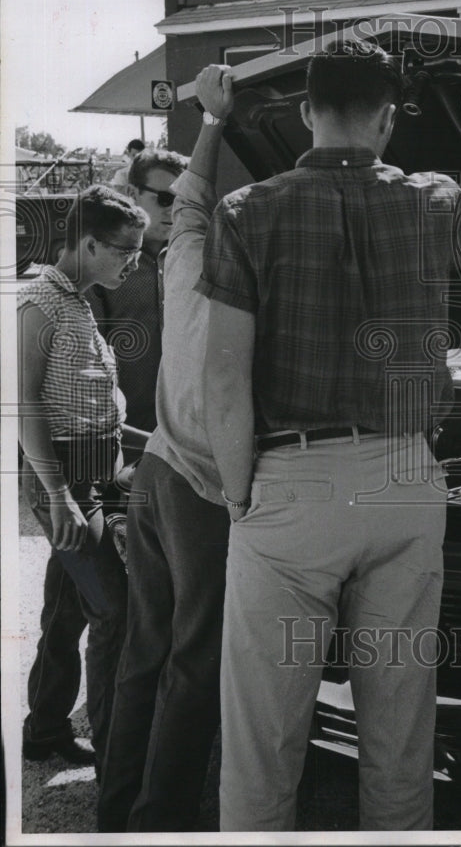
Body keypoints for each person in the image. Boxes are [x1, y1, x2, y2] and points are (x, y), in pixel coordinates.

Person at [198, 38, 461, 831]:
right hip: (406, 477)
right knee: (400, 737)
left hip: (293, 486)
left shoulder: (247, 211)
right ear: (388, 120)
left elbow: (224, 379)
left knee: (265, 741)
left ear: (307, 111)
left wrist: (239, 498)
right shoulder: (430, 198)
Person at [97, 68, 233, 832]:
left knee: (144, 651)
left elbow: (193, 205)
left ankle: (118, 810)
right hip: (183, 480)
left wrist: (213, 122)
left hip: (153, 466)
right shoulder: (207, 272)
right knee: (191, 656)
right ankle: (160, 823)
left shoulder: (177, 262)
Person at [18, 186, 148, 772]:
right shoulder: (40, 303)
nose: (134, 263)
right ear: (89, 243)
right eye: (125, 251)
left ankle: (44, 729)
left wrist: (155, 442)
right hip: (68, 480)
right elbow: (22, 405)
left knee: (67, 610)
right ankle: (115, 752)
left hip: (97, 472)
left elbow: (96, 407)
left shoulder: (79, 299)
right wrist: (59, 496)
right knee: (114, 610)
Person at [88, 151, 185, 432]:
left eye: (181, 200)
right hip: (124, 429)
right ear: (132, 194)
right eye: (164, 198)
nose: (173, 209)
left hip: (185, 428)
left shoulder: (192, 257)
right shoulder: (104, 262)